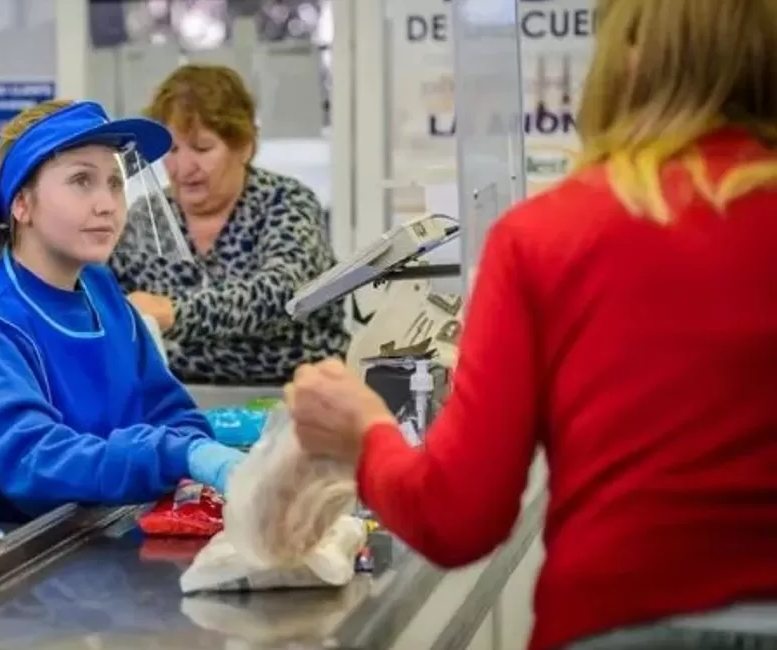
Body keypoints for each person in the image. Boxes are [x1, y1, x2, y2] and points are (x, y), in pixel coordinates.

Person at [285, 1, 777, 649]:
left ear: (627, 58)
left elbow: (457, 518)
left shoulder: (548, 237)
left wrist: (366, 432)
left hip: (616, 626)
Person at [0, 99, 245, 522]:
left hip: (102, 524)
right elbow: (33, 463)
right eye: (81, 181)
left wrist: (195, 450)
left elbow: (170, 412)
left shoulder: (101, 291)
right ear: (22, 204)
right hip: (19, 544)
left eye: (114, 183)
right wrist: (176, 455)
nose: (107, 204)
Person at [110, 63, 350, 385]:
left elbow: (281, 296)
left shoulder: (286, 202)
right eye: (172, 150)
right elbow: (105, 298)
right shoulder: (146, 217)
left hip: (296, 392)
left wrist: (172, 312)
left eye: (202, 148)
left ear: (244, 146)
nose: (184, 167)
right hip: (181, 398)